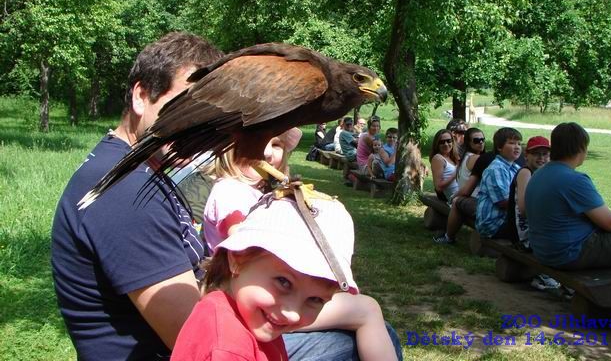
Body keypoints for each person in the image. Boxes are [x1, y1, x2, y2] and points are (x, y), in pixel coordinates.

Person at [50, 32, 224, 359]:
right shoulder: (123, 191)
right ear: (141, 96)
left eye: (207, 117)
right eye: (183, 108)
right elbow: (199, 344)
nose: (197, 128)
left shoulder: (135, 169)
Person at [202, 130, 401, 361]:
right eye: (256, 140)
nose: (266, 152)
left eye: (276, 144)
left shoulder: (259, 190)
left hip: (256, 292)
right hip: (244, 296)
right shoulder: (231, 190)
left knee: (373, 318)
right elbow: (241, 241)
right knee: (367, 310)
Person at [172, 196, 359, 361]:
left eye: (316, 299)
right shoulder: (227, 350)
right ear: (238, 259)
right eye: (284, 282)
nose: (293, 313)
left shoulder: (248, 317)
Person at [526, 122, 611, 270]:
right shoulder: (574, 180)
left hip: (544, 250)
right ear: (581, 149)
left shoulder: (539, 174)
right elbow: (610, 223)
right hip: (570, 252)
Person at [505, 136, 559, 291]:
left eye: (545, 154)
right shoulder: (525, 173)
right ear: (526, 155)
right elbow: (523, 208)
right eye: (536, 154)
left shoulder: (541, 175)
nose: (541, 158)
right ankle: (544, 275)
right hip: (522, 233)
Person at [475, 127, 523, 239]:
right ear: (499, 147)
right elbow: (504, 202)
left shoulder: (515, 167)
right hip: (494, 223)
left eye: (519, 144)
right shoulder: (496, 169)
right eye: (512, 143)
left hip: (506, 218)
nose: (517, 147)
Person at [429, 129, 459, 203]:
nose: (446, 144)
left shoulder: (453, 157)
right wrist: (455, 174)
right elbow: (438, 187)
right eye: (442, 142)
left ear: (452, 142)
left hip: (462, 194)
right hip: (455, 199)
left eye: (448, 141)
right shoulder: (438, 158)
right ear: (437, 144)